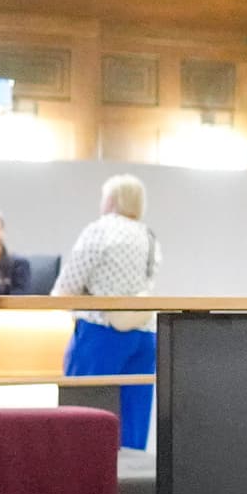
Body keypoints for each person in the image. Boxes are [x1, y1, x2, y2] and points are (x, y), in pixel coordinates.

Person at [57, 174, 162, 449]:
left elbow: (67, 286)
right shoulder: (149, 237)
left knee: (83, 420)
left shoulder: (100, 230)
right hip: (143, 334)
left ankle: (80, 483)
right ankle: (128, 489)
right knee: (132, 430)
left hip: (100, 333)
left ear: (112, 200)